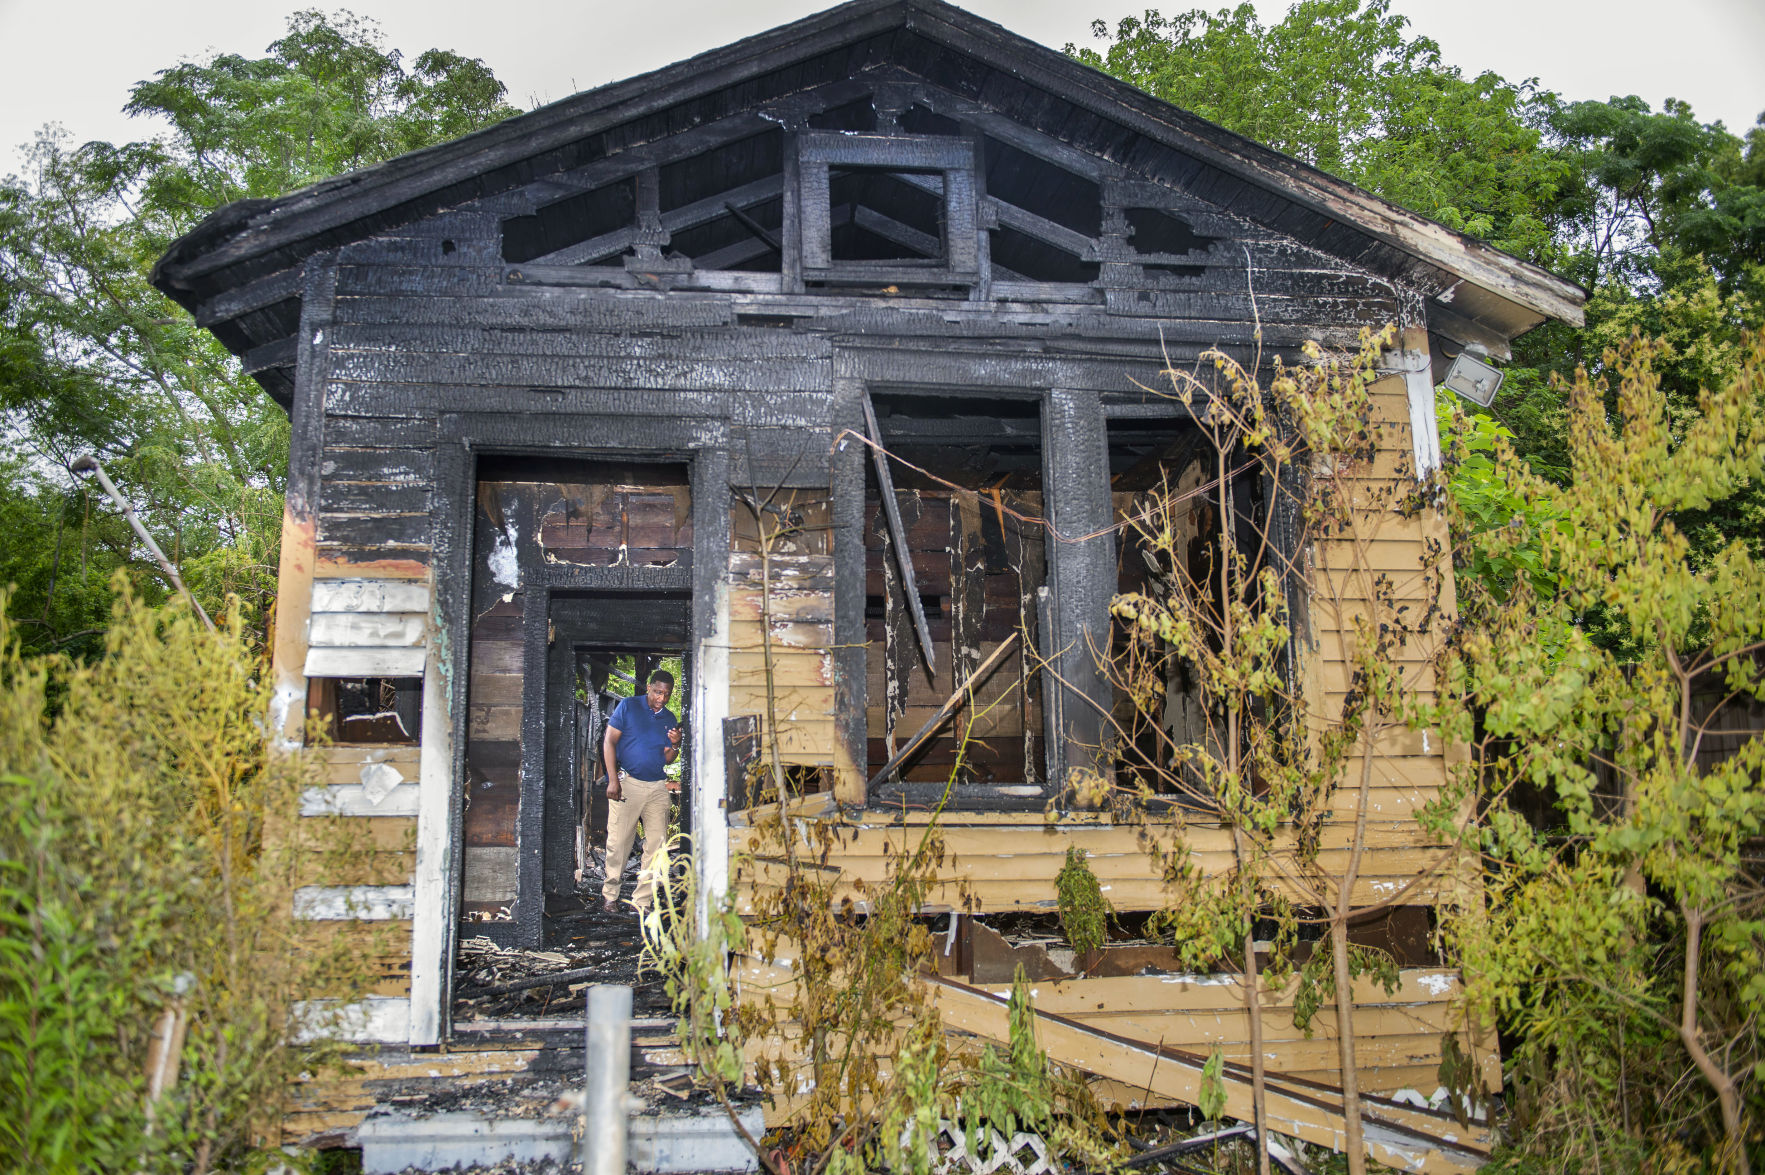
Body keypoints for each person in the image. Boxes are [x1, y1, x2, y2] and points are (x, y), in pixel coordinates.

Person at [600, 669, 682, 915]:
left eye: (667, 694)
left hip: (657, 786)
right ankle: (610, 896)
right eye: (658, 692)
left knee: (657, 846)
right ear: (649, 687)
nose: (662, 698)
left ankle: (642, 901)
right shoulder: (628, 706)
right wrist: (613, 780)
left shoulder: (669, 717)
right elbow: (609, 741)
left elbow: (668, 758)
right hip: (629, 783)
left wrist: (676, 743)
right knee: (619, 842)